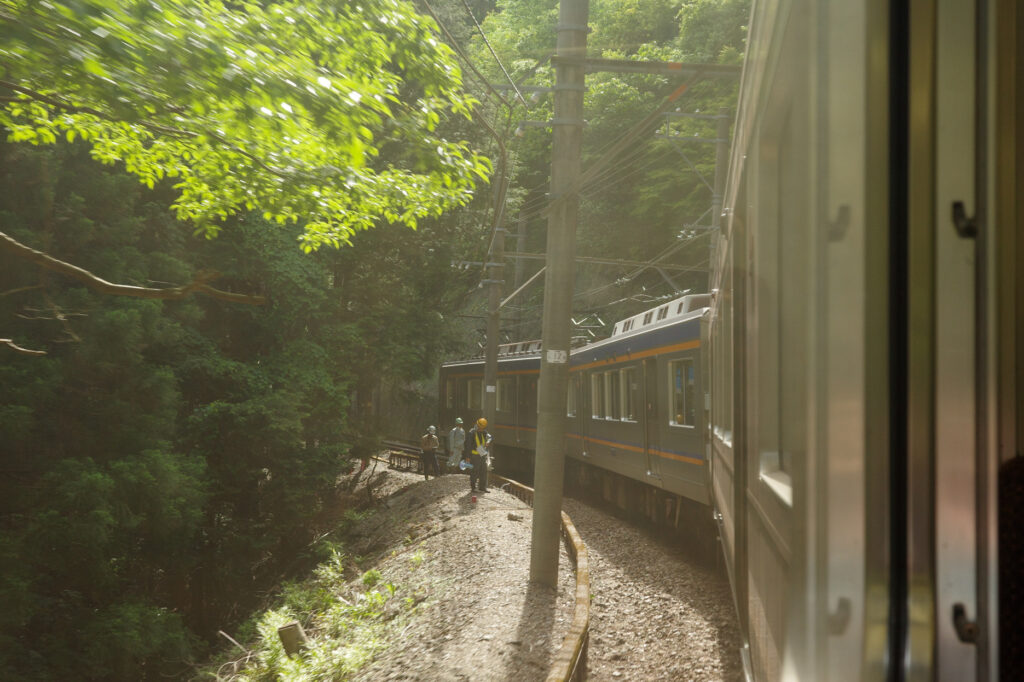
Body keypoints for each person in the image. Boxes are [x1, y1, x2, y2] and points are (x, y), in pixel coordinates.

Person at [462, 417, 492, 493]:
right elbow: (467, 446)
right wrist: (468, 457)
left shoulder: (484, 432)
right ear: (478, 425)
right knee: (474, 471)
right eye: (481, 428)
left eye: (483, 428)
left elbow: (490, 437)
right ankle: (473, 487)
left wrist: (488, 441)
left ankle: (482, 487)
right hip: (474, 455)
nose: (482, 430)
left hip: (482, 454)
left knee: (483, 471)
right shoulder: (471, 433)